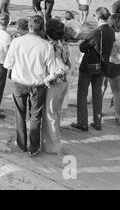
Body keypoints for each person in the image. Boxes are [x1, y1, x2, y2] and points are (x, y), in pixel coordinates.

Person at [4, 15, 56, 156]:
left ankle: (21, 144)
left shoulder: (17, 42)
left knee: (20, 115)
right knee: (35, 116)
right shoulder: (47, 45)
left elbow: (7, 64)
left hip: (19, 83)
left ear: (29, 27)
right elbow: (53, 71)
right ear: (42, 29)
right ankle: (33, 147)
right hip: (37, 85)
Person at [71, 7, 115, 132]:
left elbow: (82, 47)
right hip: (103, 66)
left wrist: (85, 40)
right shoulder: (111, 31)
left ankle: (83, 122)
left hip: (89, 66)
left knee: (82, 94)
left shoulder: (97, 31)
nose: (94, 17)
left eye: (95, 15)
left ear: (98, 16)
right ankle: (97, 122)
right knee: (97, 94)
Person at [41, 19, 71, 155]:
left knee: (49, 114)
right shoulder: (63, 44)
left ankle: (53, 146)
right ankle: (55, 142)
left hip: (55, 83)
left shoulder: (52, 46)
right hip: (64, 83)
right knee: (56, 113)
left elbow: (62, 68)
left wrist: (48, 79)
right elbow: (68, 65)